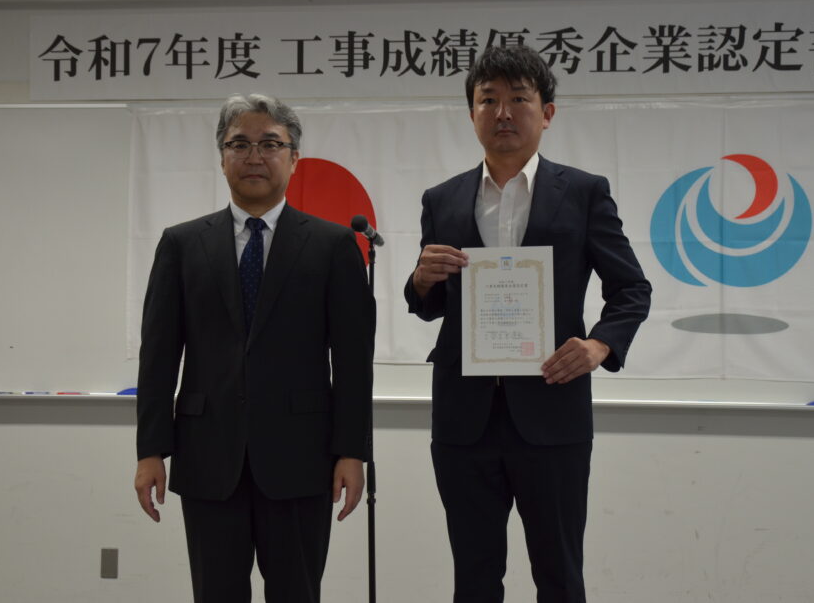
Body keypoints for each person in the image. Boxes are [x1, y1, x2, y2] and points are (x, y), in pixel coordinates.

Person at [405, 45, 651, 602]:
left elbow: (631, 289)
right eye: (487, 100)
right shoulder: (442, 199)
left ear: (547, 112)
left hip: (552, 411)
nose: (503, 113)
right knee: (474, 577)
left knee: (559, 575)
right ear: (471, 113)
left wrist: (598, 346)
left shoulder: (584, 192)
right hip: (464, 418)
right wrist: (420, 280)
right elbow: (430, 303)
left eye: (519, 99)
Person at [134, 93, 374, 603]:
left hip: (301, 458)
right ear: (222, 157)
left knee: (297, 594)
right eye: (239, 144)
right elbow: (157, 356)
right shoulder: (181, 244)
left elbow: (353, 363)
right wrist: (150, 450)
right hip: (207, 457)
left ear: (294, 157)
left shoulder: (332, 246)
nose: (254, 156)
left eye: (270, 144)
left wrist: (352, 452)